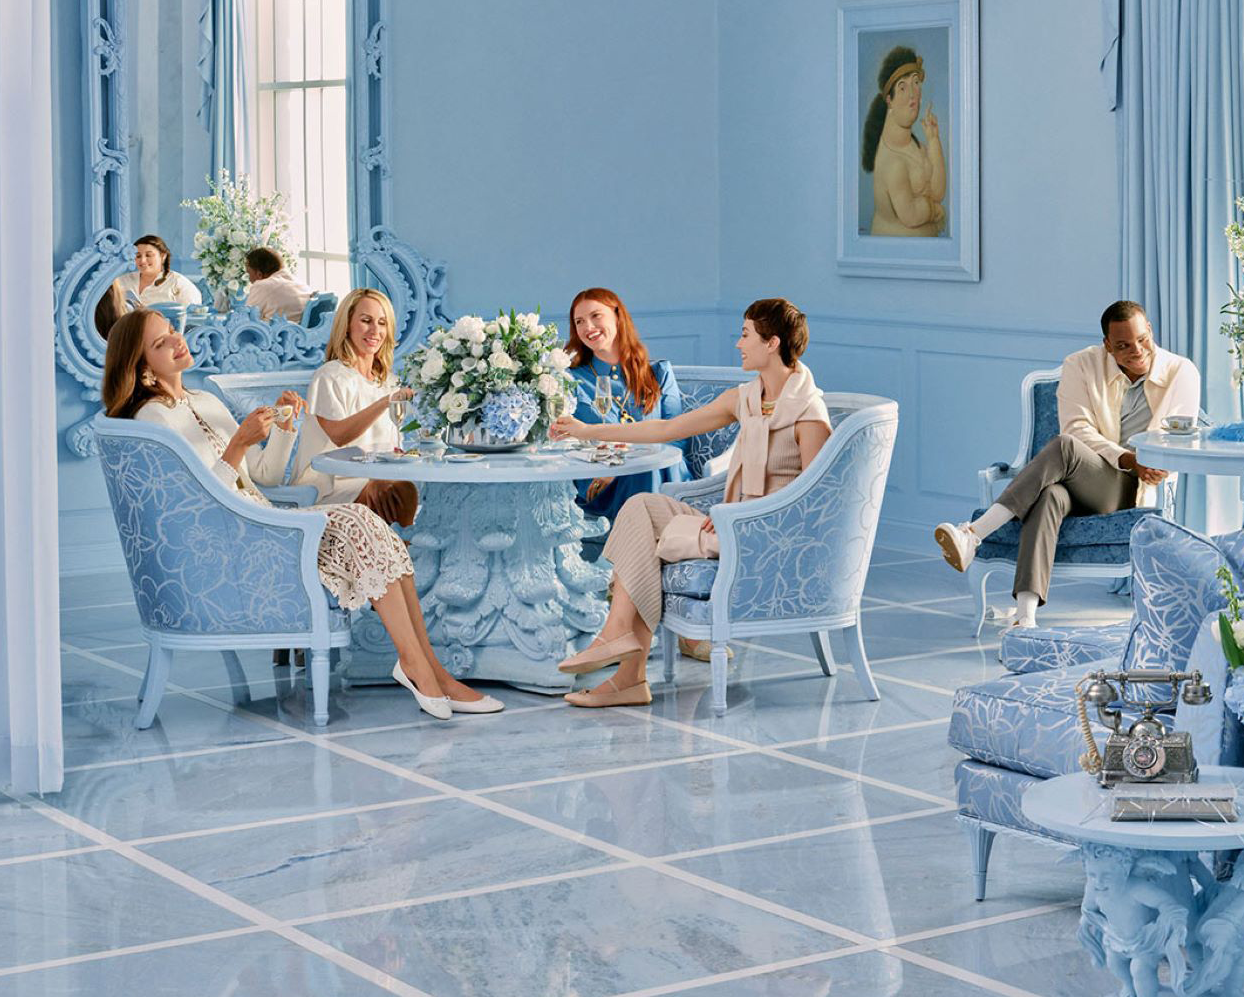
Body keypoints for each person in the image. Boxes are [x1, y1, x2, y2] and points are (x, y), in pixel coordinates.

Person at [101, 311, 497, 720]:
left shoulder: (205, 401)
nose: (176, 340)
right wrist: (237, 443)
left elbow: (265, 476)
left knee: (376, 530)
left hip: (261, 518)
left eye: (171, 331)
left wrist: (282, 427)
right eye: (160, 342)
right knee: (357, 520)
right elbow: (194, 510)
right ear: (141, 365)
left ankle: (427, 668)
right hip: (234, 539)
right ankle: (422, 668)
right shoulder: (154, 419)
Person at [548, 298, 830, 708]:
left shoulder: (809, 414)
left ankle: (627, 672)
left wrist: (736, 515)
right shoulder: (745, 398)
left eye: (746, 334)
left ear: (772, 343)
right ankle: (620, 648)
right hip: (729, 521)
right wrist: (585, 431)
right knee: (641, 507)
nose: (738, 344)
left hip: (760, 534)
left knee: (645, 539)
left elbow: (810, 503)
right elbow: (667, 428)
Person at [933, 301, 1202, 630]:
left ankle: (973, 534)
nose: (1137, 351)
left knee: (1062, 447)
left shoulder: (1180, 372)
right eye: (1123, 345)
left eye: (1142, 340)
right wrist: (1126, 456)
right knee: (1050, 496)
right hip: (1091, 475)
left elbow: (1178, 437)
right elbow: (1077, 430)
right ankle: (1025, 617)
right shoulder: (1080, 364)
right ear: (1107, 345)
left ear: (1150, 332)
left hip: (1132, 486)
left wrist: (1156, 464)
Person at [290, 288, 419, 526]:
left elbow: (393, 444)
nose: (375, 331)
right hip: (329, 483)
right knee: (398, 492)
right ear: (347, 324)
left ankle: (399, 551)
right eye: (366, 321)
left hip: (375, 478)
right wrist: (384, 402)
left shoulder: (389, 381)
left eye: (382, 323)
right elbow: (339, 436)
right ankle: (398, 553)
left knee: (409, 489)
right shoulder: (330, 376)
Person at [564, 287, 684, 524]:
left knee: (646, 467)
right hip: (605, 483)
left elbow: (678, 436)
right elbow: (569, 441)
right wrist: (608, 470)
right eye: (579, 321)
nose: (588, 327)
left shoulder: (659, 373)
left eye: (596, 316)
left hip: (665, 477)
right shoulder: (571, 379)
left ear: (618, 316)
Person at [863, 45, 946, 236]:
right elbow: (910, 216)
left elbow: (938, 192)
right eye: (903, 87)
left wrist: (933, 140)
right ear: (889, 100)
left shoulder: (916, 146)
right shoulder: (892, 161)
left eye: (916, 83)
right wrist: (934, 210)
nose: (913, 94)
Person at [117, 234, 203, 308]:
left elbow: (191, 316)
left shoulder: (178, 282)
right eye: (138, 256)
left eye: (148, 255)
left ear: (162, 256)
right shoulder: (123, 281)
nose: (142, 260)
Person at [242, 247, 314, 321]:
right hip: (303, 330)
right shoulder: (301, 284)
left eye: (249, 273)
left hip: (276, 331)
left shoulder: (262, 286)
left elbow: (245, 320)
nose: (249, 279)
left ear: (259, 274)